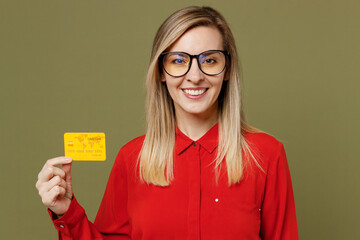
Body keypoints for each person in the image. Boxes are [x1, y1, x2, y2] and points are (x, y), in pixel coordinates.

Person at [35, 6, 298, 240]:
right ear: (161, 71)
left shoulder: (267, 155)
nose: (194, 76)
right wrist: (67, 212)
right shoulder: (132, 159)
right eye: (178, 61)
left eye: (209, 60)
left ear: (227, 69)